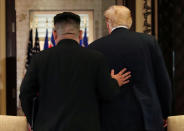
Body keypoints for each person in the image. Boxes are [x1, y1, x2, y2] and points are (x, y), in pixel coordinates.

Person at [19, 12, 131, 131]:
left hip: (48, 127)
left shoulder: (39, 59)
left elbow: (25, 93)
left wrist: (33, 120)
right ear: (81, 34)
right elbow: (108, 93)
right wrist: (115, 82)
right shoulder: (96, 58)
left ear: (54, 34)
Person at [89, 5, 172, 131]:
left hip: (110, 118)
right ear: (130, 21)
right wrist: (165, 112)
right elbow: (162, 81)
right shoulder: (149, 42)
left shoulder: (95, 47)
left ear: (108, 23)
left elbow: (92, 87)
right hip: (146, 116)